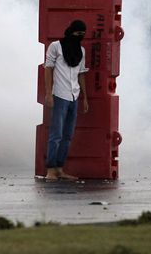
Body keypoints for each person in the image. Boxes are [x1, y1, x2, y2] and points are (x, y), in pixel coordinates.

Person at [44, 19, 89, 181]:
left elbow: (81, 73)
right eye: (78, 33)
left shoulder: (81, 51)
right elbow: (48, 69)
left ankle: (59, 169)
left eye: (83, 34)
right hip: (60, 95)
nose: (80, 36)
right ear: (70, 31)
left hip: (74, 96)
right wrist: (48, 93)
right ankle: (50, 170)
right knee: (56, 134)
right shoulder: (56, 46)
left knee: (68, 135)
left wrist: (85, 98)